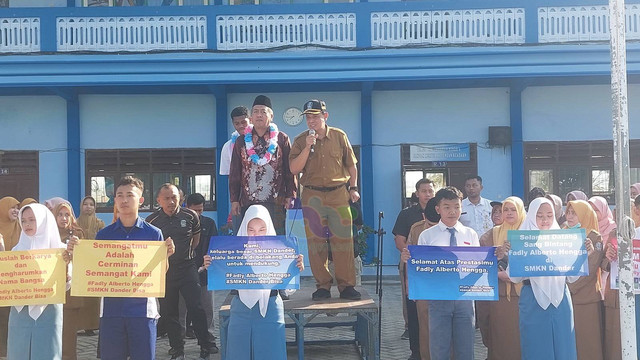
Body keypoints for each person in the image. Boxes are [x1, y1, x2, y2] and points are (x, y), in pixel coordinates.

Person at [67, 176, 175, 360]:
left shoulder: (153, 233)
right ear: (115, 200)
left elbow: (159, 274)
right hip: (111, 311)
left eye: (129, 195)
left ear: (140, 200)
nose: (124, 200)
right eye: (120, 195)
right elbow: (94, 268)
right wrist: (75, 252)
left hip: (143, 312)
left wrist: (166, 256)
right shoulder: (104, 235)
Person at [289, 99, 361, 301]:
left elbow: (351, 165)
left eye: (315, 117)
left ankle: (346, 286)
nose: (311, 121)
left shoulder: (339, 136)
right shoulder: (301, 140)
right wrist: (306, 147)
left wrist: (353, 188)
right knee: (316, 242)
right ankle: (322, 286)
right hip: (312, 195)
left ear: (325, 116)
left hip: (339, 192)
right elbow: (294, 169)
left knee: (343, 241)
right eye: (308, 118)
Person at [502, 197, 586, 360]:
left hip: (561, 298)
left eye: (549, 215)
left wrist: (582, 255)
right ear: (532, 216)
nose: (545, 220)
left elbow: (572, 277)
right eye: (540, 215)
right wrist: (512, 254)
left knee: (564, 346)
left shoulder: (563, 239)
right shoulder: (522, 239)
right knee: (535, 346)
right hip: (532, 298)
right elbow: (515, 278)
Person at [401, 186, 479, 360]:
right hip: (437, 298)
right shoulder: (427, 236)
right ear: (438, 209)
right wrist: (409, 259)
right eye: (447, 207)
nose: (452, 211)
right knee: (438, 347)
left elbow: (478, 266)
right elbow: (421, 268)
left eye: (456, 207)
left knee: (465, 349)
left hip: (465, 298)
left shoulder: (471, 234)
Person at [146, 183, 217, 359]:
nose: (171, 202)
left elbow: (196, 240)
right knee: (170, 312)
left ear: (181, 198)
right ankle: (177, 348)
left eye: (174, 198)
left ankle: (205, 345)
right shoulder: (151, 221)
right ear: (159, 200)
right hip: (165, 271)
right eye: (167, 198)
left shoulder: (191, 215)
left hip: (187, 268)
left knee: (196, 307)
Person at [226, 204, 304, 360]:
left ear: (268, 228)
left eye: (262, 230)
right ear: (244, 229)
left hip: (271, 309)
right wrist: (211, 264)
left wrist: (295, 268)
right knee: (238, 353)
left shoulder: (281, 251)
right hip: (240, 309)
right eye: (251, 230)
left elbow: (288, 289)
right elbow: (222, 278)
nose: (256, 235)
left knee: (271, 353)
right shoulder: (231, 252)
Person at [8, 203, 71, 360]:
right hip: (19, 311)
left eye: (32, 220)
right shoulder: (16, 251)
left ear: (43, 221)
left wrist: (66, 267)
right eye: (23, 221)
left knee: (47, 351)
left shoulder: (60, 250)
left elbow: (66, 285)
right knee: (18, 351)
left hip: (48, 310)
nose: (27, 224)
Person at [229, 95, 297, 235]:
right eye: (255, 111)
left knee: (275, 240)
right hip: (248, 201)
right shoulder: (241, 141)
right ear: (251, 117)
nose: (259, 115)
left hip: (276, 200)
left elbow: (289, 170)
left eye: (263, 111)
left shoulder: (281, 139)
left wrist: (291, 194)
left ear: (271, 116)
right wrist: (234, 200)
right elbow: (235, 171)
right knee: (251, 238)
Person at [478, 197, 525, 360]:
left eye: (513, 209)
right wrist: (498, 266)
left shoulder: (530, 233)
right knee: (501, 341)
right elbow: (481, 265)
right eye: (506, 209)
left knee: (522, 341)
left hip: (525, 296)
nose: (509, 213)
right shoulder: (491, 235)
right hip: (500, 297)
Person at [392, 178, 436, 348]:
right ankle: (410, 328)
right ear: (417, 193)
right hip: (410, 264)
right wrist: (414, 257)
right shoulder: (407, 214)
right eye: (424, 191)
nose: (427, 194)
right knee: (410, 299)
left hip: (435, 267)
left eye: (430, 191)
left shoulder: (440, 211)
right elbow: (399, 240)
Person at [564, 200, 604, 360]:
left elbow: (592, 267)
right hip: (565, 297)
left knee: (588, 343)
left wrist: (569, 287)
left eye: (575, 213)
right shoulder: (562, 232)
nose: (570, 216)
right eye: (568, 212)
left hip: (585, 298)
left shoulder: (594, 237)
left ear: (585, 214)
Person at [406, 197, 440, 360]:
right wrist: (410, 287)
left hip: (448, 288)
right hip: (423, 287)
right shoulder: (417, 229)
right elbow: (408, 261)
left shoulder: (458, 230)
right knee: (424, 327)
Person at [184, 193, 218, 342]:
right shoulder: (181, 223)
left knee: (207, 307)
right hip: (184, 272)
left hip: (205, 272)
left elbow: (215, 246)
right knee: (182, 309)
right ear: (187, 207)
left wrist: (206, 264)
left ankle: (208, 337)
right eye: (195, 210)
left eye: (200, 210)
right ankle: (180, 340)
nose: (198, 213)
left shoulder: (209, 223)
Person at [53, 202, 85, 360]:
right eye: (60, 214)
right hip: (50, 293)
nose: (64, 218)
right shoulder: (48, 234)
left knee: (68, 336)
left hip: (70, 294)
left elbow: (86, 261)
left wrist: (74, 254)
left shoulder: (78, 235)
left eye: (67, 214)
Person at [475, 200, 503, 358]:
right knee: (488, 325)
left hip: (511, 294)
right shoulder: (485, 238)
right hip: (488, 290)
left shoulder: (518, 234)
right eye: (494, 212)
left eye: (501, 211)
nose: (497, 215)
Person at [75, 196, 104, 336]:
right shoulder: (74, 224)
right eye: (85, 204)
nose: (88, 207)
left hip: (95, 265)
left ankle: (92, 325)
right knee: (81, 295)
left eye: (91, 204)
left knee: (93, 296)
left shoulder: (100, 224)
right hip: (79, 266)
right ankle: (80, 324)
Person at [0, 196, 21, 357]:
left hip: (17, 281)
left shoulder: (22, 228)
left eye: (17, 207)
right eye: (12, 207)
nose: (16, 210)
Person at [220, 106, 251, 176]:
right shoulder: (227, 147)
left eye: (244, 122)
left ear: (251, 120)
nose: (241, 126)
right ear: (233, 124)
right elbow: (229, 175)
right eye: (237, 123)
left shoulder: (261, 141)